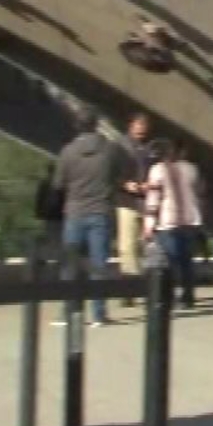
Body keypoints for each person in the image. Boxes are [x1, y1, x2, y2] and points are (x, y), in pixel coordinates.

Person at [52, 108, 131, 328]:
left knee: (71, 265)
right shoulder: (110, 150)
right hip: (101, 210)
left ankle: (69, 311)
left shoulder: (67, 152)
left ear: (77, 126)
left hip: (75, 211)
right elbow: (119, 175)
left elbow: (58, 184)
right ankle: (98, 313)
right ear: (96, 124)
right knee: (99, 263)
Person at [143, 138, 204, 311]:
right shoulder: (192, 169)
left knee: (170, 262)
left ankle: (169, 296)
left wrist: (148, 224)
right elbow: (199, 192)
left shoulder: (157, 170)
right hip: (191, 220)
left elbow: (153, 200)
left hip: (168, 221)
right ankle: (188, 296)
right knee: (187, 262)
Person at [116, 113, 155, 306]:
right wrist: (124, 184)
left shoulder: (150, 148)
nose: (141, 129)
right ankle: (128, 290)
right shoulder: (120, 146)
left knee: (144, 247)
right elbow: (112, 173)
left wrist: (151, 184)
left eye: (144, 125)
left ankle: (142, 287)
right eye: (138, 124)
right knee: (127, 247)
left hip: (146, 201)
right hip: (127, 201)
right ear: (130, 125)